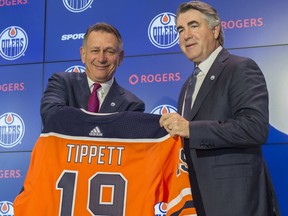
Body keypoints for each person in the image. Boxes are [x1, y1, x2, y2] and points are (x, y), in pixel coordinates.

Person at [159, 1, 278, 216]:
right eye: (180, 29)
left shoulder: (240, 67)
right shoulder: (187, 85)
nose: (186, 35)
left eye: (193, 25)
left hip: (236, 201)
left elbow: (254, 128)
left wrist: (191, 129)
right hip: (195, 201)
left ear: (215, 30)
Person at [41, 22, 145, 126]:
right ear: (83, 54)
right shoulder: (62, 82)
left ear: (120, 58)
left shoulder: (132, 105)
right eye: (95, 51)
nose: (101, 59)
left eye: (109, 51)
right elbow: (51, 117)